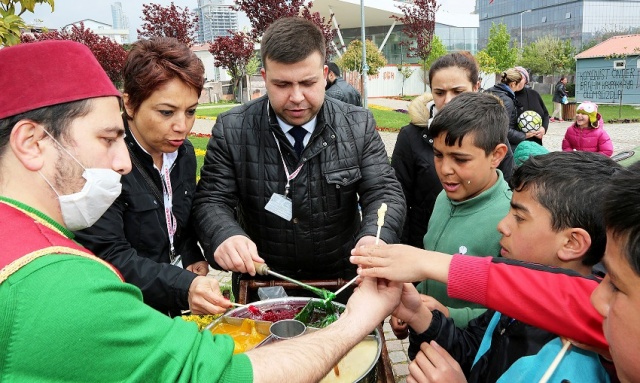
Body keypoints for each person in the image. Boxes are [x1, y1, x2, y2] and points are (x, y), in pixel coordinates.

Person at [0, 39, 403, 383]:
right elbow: (215, 373)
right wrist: (357, 322)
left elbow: (184, 213)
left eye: (191, 111)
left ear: (326, 75)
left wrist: (191, 257)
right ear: (31, 143)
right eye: (109, 137)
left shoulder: (356, 123)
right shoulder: (72, 288)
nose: (122, 162)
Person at [351, 163, 640, 383]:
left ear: (572, 242)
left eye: (519, 216)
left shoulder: (579, 367)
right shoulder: (512, 310)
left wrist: (431, 263)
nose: (502, 225)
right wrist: (419, 316)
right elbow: (476, 353)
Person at [192, 17, 405, 295]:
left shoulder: (357, 124)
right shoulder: (233, 128)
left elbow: (384, 192)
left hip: (343, 283)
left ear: (325, 74)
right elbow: (211, 200)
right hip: (263, 281)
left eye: (307, 82)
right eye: (282, 85)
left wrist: (375, 238)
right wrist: (224, 234)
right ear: (265, 78)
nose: (296, 97)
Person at [73, 37, 217, 317]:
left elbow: (178, 220)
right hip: (126, 313)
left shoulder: (184, 153)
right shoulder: (105, 162)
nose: (182, 127)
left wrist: (190, 254)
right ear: (129, 104)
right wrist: (182, 285)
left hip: (171, 306)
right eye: (166, 112)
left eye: (190, 112)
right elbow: (108, 255)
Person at [392, 92, 511, 339]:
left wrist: (448, 314)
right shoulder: (443, 198)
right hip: (427, 336)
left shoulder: (510, 221)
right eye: (438, 155)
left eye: (460, 159)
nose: (445, 169)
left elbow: (510, 310)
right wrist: (412, 305)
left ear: (496, 155)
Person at [391, 52, 514, 249]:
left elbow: (506, 187)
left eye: (458, 91)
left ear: (476, 87)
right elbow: (398, 196)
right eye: (439, 92)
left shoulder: (492, 137)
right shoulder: (410, 136)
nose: (448, 100)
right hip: (421, 244)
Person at [484, 68, 534, 149]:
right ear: (513, 84)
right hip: (500, 144)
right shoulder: (507, 101)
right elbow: (504, 129)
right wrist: (524, 135)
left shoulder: (487, 92)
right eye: (518, 84)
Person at [514, 66, 549, 145]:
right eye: (515, 78)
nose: (518, 81)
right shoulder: (507, 97)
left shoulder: (534, 94)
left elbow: (545, 114)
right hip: (516, 146)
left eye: (521, 78)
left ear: (526, 80)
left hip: (535, 143)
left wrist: (543, 128)